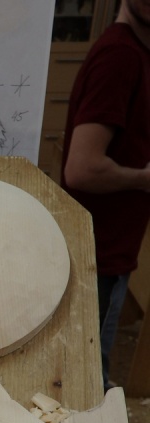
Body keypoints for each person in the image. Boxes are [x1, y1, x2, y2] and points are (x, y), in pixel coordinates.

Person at [61, 0, 150, 391]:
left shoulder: (135, 54)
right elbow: (82, 168)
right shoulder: (121, 57)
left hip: (108, 253)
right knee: (86, 387)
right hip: (96, 259)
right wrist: (145, 178)